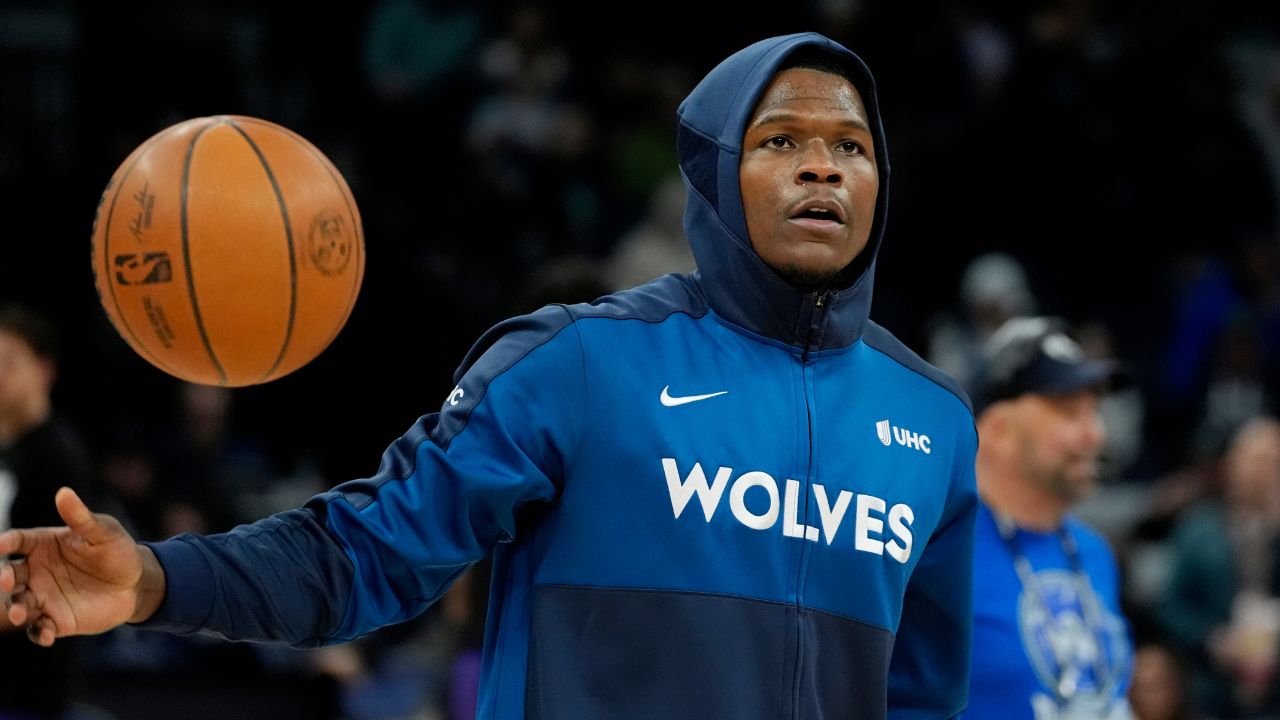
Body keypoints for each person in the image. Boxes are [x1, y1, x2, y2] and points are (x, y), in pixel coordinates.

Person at [0, 33, 979, 719]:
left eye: (850, 147)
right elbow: (363, 554)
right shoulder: (580, 364)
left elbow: (924, 699)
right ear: (718, 175)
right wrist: (155, 580)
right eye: (780, 141)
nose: (822, 167)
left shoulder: (931, 422)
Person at [964, 316, 1135, 719]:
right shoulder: (938, 546)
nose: (1095, 433)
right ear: (998, 430)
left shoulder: (1093, 551)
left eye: (1094, 411)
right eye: (1069, 412)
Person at [0, 303, 94, 719]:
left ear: (45, 371)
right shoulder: (9, 451)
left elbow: (47, 589)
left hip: (31, 688)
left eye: (8, 362)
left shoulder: (58, 457)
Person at [1155, 415, 1280, 718]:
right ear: (1233, 464)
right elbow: (1170, 606)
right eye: (1257, 460)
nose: (1265, 472)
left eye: (1274, 462)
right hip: (1209, 688)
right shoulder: (1198, 528)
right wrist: (1212, 640)